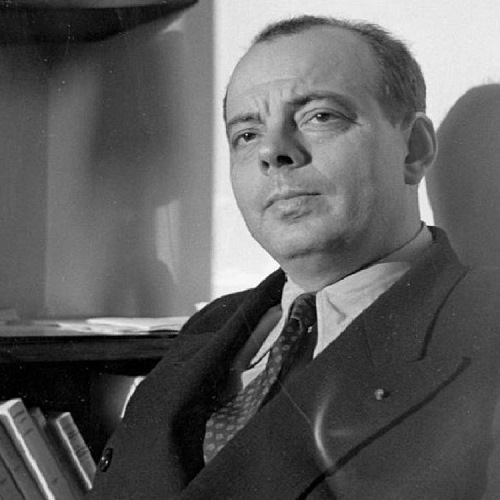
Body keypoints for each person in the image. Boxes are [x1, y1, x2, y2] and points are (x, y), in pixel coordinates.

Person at [88, 15, 500, 499]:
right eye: (246, 134)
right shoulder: (211, 327)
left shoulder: (485, 330)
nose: (272, 151)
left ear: (413, 149)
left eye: (320, 116)